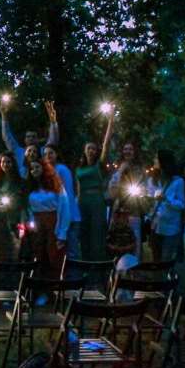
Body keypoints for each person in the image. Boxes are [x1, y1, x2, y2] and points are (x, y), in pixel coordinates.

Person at [75, 110, 114, 261]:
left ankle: (98, 265)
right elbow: (78, 188)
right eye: (88, 148)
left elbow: (106, 144)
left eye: (93, 148)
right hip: (83, 202)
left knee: (97, 234)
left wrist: (110, 121)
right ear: (84, 151)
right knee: (84, 233)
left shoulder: (99, 165)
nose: (91, 150)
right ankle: (85, 264)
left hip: (97, 201)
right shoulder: (79, 168)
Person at [24, 161, 71, 278]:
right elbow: (28, 208)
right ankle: (38, 288)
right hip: (37, 224)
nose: (34, 170)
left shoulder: (56, 185)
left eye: (37, 167)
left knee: (54, 255)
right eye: (32, 168)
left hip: (53, 222)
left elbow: (64, 208)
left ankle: (55, 288)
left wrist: (62, 233)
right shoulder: (30, 187)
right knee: (38, 255)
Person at [42, 144, 82, 260]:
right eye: (45, 154)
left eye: (51, 153)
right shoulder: (47, 171)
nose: (48, 156)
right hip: (59, 217)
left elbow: (67, 195)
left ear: (56, 154)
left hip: (70, 216)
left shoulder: (62, 169)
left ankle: (75, 276)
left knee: (72, 251)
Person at [0, 99, 59, 177]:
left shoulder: (43, 152)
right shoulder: (19, 152)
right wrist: (4, 117)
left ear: (38, 139)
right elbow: (7, 137)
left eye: (33, 137)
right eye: (28, 137)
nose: (31, 138)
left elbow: (53, 140)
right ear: (25, 140)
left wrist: (53, 122)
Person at [146, 149, 185, 262]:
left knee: (166, 260)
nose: (154, 160)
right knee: (156, 259)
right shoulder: (153, 180)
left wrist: (166, 199)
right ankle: (158, 279)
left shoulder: (178, 181)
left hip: (170, 228)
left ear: (163, 161)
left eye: (156, 158)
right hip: (155, 226)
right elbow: (151, 200)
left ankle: (167, 278)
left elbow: (182, 204)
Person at [107, 142, 146, 243]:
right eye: (125, 149)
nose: (127, 151)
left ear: (134, 152)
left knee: (134, 237)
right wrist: (121, 172)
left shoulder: (140, 169)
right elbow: (112, 191)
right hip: (119, 208)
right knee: (118, 239)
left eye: (130, 149)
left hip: (134, 209)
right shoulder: (118, 168)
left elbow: (144, 187)